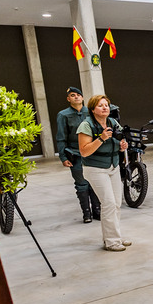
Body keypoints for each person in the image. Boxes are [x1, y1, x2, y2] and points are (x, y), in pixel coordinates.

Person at [77, 94, 130, 251]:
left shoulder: (113, 122)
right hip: (95, 169)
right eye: (100, 105)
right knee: (108, 204)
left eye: (106, 105)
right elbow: (84, 151)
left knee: (117, 204)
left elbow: (119, 139)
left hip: (113, 167)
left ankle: (115, 236)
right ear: (93, 109)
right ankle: (111, 241)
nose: (105, 107)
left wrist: (122, 146)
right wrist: (101, 138)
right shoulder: (86, 125)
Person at [55, 86, 99, 223]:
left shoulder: (90, 112)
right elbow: (61, 137)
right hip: (75, 153)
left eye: (78, 95)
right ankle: (87, 213)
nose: (76, 97)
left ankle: (97, 211)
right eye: (73, 95)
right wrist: (63, 157)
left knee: (95, 182)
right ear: (68, 99)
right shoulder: (63, 115)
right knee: (81, 183)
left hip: (93, 153)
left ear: (83, 97)